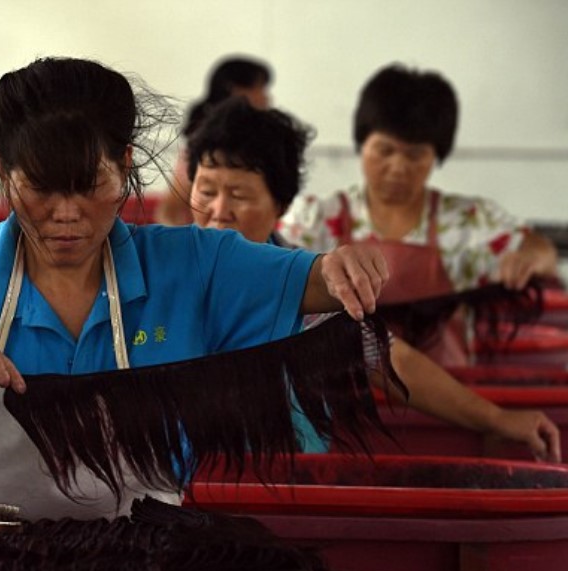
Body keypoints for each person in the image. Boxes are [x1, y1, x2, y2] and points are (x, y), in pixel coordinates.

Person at [0, 57, 391, 521]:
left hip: (139, 552)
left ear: (126, 164)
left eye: (89, 185)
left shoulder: (195, 265)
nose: (67, 214)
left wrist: (345, 265)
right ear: (2, 173)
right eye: (41, 187)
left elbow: (316, 281)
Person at [186, 96, 561, 463]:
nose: (219, 211)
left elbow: (386, 356)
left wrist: (496, 419)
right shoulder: (169, 269)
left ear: (281, 206)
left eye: (239, 195)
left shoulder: (307, 281)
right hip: (188, 479)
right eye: (206, 191)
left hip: (290, 475)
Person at [278, 63, 558, 367]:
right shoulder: (315, 218)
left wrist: (529, 258)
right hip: (342, 384)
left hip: (447, 385)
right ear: (362, 145)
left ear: (436, 156)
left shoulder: (466, 221)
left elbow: (540, 250)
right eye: (385, 150)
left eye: (415, 155)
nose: (398, 167)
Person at [155, 55, 272, 226]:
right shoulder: (204, 144)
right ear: (236, 90)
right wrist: (182, 239)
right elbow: (170, 208)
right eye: (259, 89)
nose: (267, 98)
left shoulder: (263, 141)